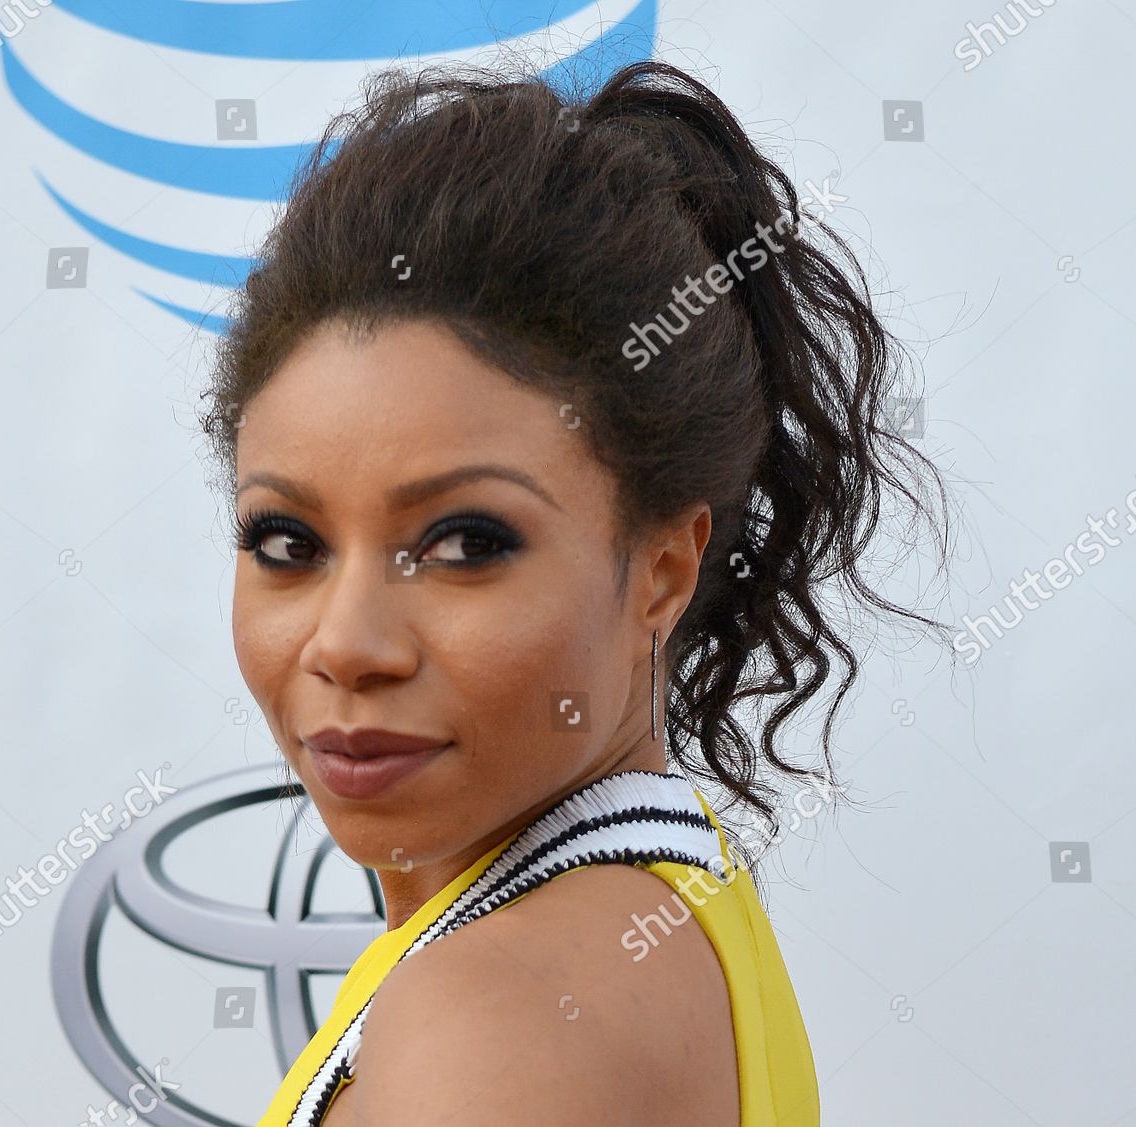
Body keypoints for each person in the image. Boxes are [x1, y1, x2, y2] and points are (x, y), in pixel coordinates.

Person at [199, 55, 947, 1127]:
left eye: (464, 542)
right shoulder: (647, 907)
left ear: (663, 569)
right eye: (289, 540)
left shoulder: (499, 1017)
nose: (348, 642)